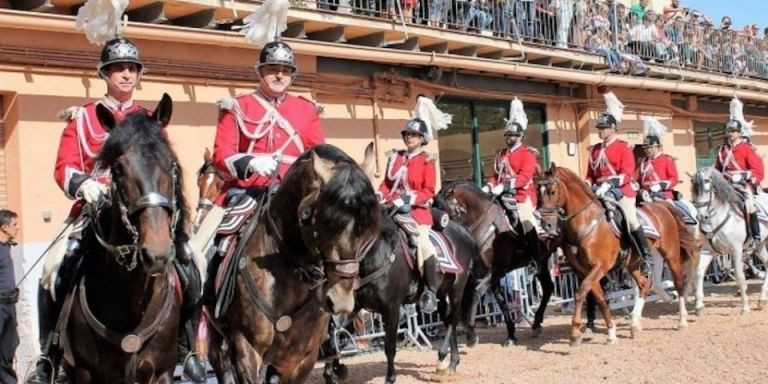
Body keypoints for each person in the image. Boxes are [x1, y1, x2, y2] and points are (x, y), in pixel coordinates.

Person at [26, 37, 206, 384]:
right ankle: (48, 356)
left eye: (131, 69)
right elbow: (63, 167)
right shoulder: (83, 119)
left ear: (139, 75)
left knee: (191, 263)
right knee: (53, 268)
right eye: (117, 69)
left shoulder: (150, 121)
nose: (125, 74)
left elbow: (164, 169)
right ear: (104, 74)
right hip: (94, 212)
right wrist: (83, 184)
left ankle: (186, 349)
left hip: (144, 212)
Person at [202, 38, 325, 308]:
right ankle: (208, 308)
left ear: (292, 75)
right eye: (272, 69)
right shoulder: (237, 106)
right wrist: (249, 162)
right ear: (260, 72)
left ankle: (330, 322)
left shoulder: (306, 110)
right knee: (204, 248)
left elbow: (319, 156)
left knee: (332, 242)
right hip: (248, 193)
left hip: (294, 196)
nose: (279, 75)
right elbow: (221, 157)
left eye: (285, 69)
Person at [586, 92, 654, 274]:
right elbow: (590, 174)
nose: (599, 130)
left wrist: (609, 185)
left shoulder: (623, 147)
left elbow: (626, 174)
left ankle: (646, 256)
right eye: (599, 127)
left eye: (603, 127)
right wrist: (587, 184)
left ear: (613, 129)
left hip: (621, 191)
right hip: (598, 191)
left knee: (631, 220)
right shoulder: (594, 150)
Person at [379, 117, 440, 314]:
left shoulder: (426, 160)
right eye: (407, 134)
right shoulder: (396, 157)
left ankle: (430, 291)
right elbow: (387, 183)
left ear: (422, 138)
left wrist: (406, 200)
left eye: (413, 135)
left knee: (423, 244)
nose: (409, 138)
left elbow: (429, 190)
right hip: (391, 208)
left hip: (417, 213)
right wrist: (380, 194)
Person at [482, 97, 542, 238]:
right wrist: (489, 186)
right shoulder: (501, 154)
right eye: (507, 135)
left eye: (513, 135)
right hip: (502, 195)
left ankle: (535, 254)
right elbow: (496, 175)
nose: (509, 137)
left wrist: (504, 186)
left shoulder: (528, 153)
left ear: (521, 136)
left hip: (522, 196)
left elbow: (524, 177)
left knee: (525, 221)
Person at [715, 97, 764, 251]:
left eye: (734, 131)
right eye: (729, 131)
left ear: (739, 133)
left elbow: (758, 171)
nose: (731, 134)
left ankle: (755, 235)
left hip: (742, 185)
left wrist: (743, 176)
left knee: (748, 203)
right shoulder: (722, 150)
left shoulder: (746, 149)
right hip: (725, 185)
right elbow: (717, 169)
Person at [637, 118, 678, 201]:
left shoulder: (666, 160)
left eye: (651, 148)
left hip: (663, 194)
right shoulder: (643, 162)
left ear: (658, 147)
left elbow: (674, 179)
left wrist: (660, 186)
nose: (648, 150)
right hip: (645, 195)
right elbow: (637, 179)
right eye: (646, 148)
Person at [0, 210, 19, 384]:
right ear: (4, 227)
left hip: (10, 306)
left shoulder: (7, 246)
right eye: (14, 225)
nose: (17, 228)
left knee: (8, 349)